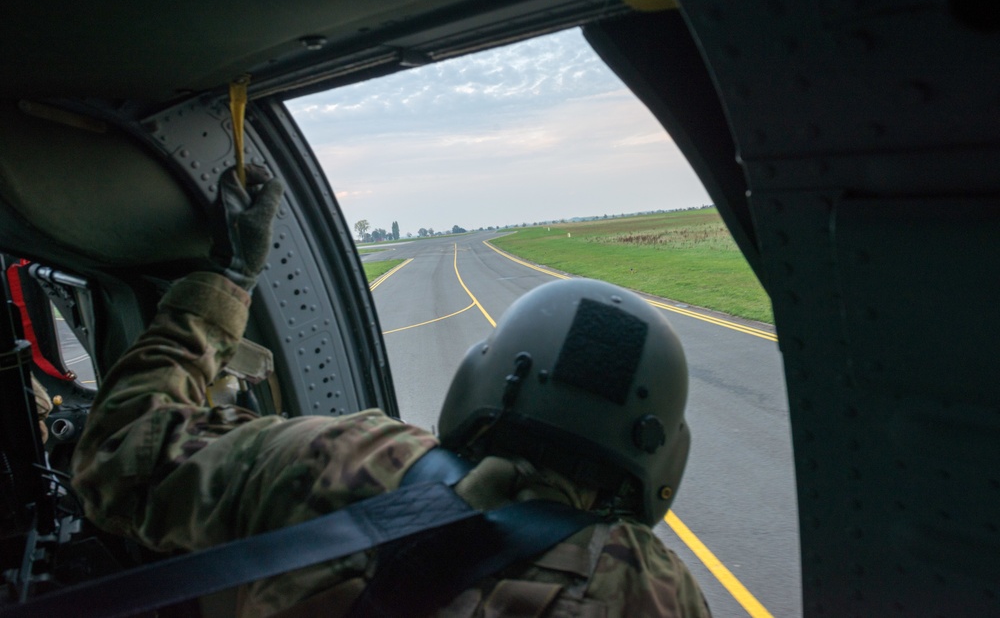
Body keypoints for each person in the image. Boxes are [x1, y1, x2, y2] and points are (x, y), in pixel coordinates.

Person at [71, 169, 711, 617]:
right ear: (659, 455)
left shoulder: (349, 459)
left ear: (480, 383)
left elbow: (121, 456)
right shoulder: (653, 590)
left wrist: (230, 278)